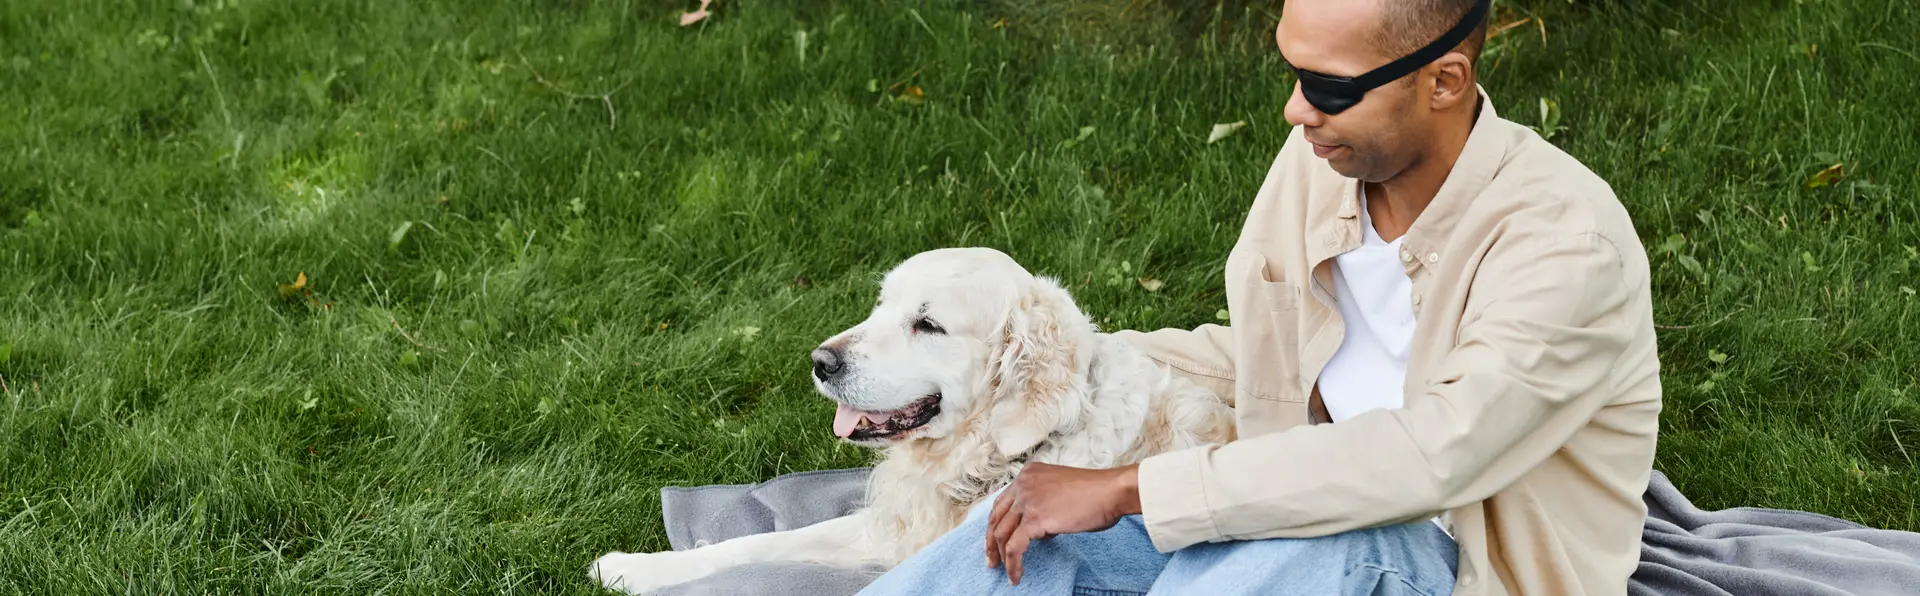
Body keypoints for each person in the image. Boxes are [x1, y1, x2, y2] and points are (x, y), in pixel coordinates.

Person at [856, 0, 1661, 594]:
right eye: (1293, 72)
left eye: (1328, 86)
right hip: (1281, 501)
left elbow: (1428, 456)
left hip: (1445, 559)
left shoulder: (1565, 245)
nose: (1296, 109)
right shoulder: (1327, 159)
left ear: (1443, 81)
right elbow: (1267, 357)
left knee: (1287, 553)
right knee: (1016, 530)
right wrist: (1059, 369)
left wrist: (1129, 488)